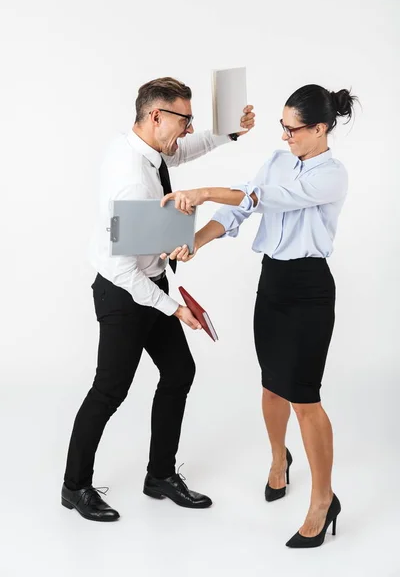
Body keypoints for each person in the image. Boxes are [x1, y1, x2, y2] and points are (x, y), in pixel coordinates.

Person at [161, 84, 357, 548]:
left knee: (304, 397)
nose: (285, 136)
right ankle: (277, 459)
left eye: (293, 129)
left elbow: (262, 200)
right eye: (282, 127)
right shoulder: (276, 160)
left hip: (309, 290)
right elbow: (238, 214)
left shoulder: (333, 175)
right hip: (272, 285)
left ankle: (323, 498)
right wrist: (195, 242)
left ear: (319, 128)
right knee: (272, 385)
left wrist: (206, 191)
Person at [61, 77, 255, 521]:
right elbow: (121, 270)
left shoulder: (141, 146)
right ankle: (74, 487)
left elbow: (179, 153)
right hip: (125, 295)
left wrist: (228, 134)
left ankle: (160, 475)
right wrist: (175, 308)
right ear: (156, 116)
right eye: (185, 120)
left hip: (148, 281)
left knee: (179, 370)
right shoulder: (129, 179)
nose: (188, 130)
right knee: (109, 391)